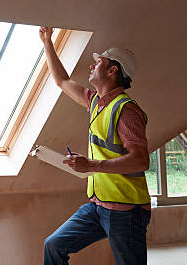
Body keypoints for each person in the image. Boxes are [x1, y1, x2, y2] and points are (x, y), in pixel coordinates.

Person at [39, 27, 152, 265]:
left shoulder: (126, 110)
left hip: (126, 210)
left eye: (98, 62)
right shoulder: (95, 103)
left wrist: (91, 164)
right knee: (54, 246)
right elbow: (62, 80)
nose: (91, 66)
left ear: (112, 70)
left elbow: (141, 160)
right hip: (98, 206)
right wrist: (47, 42)